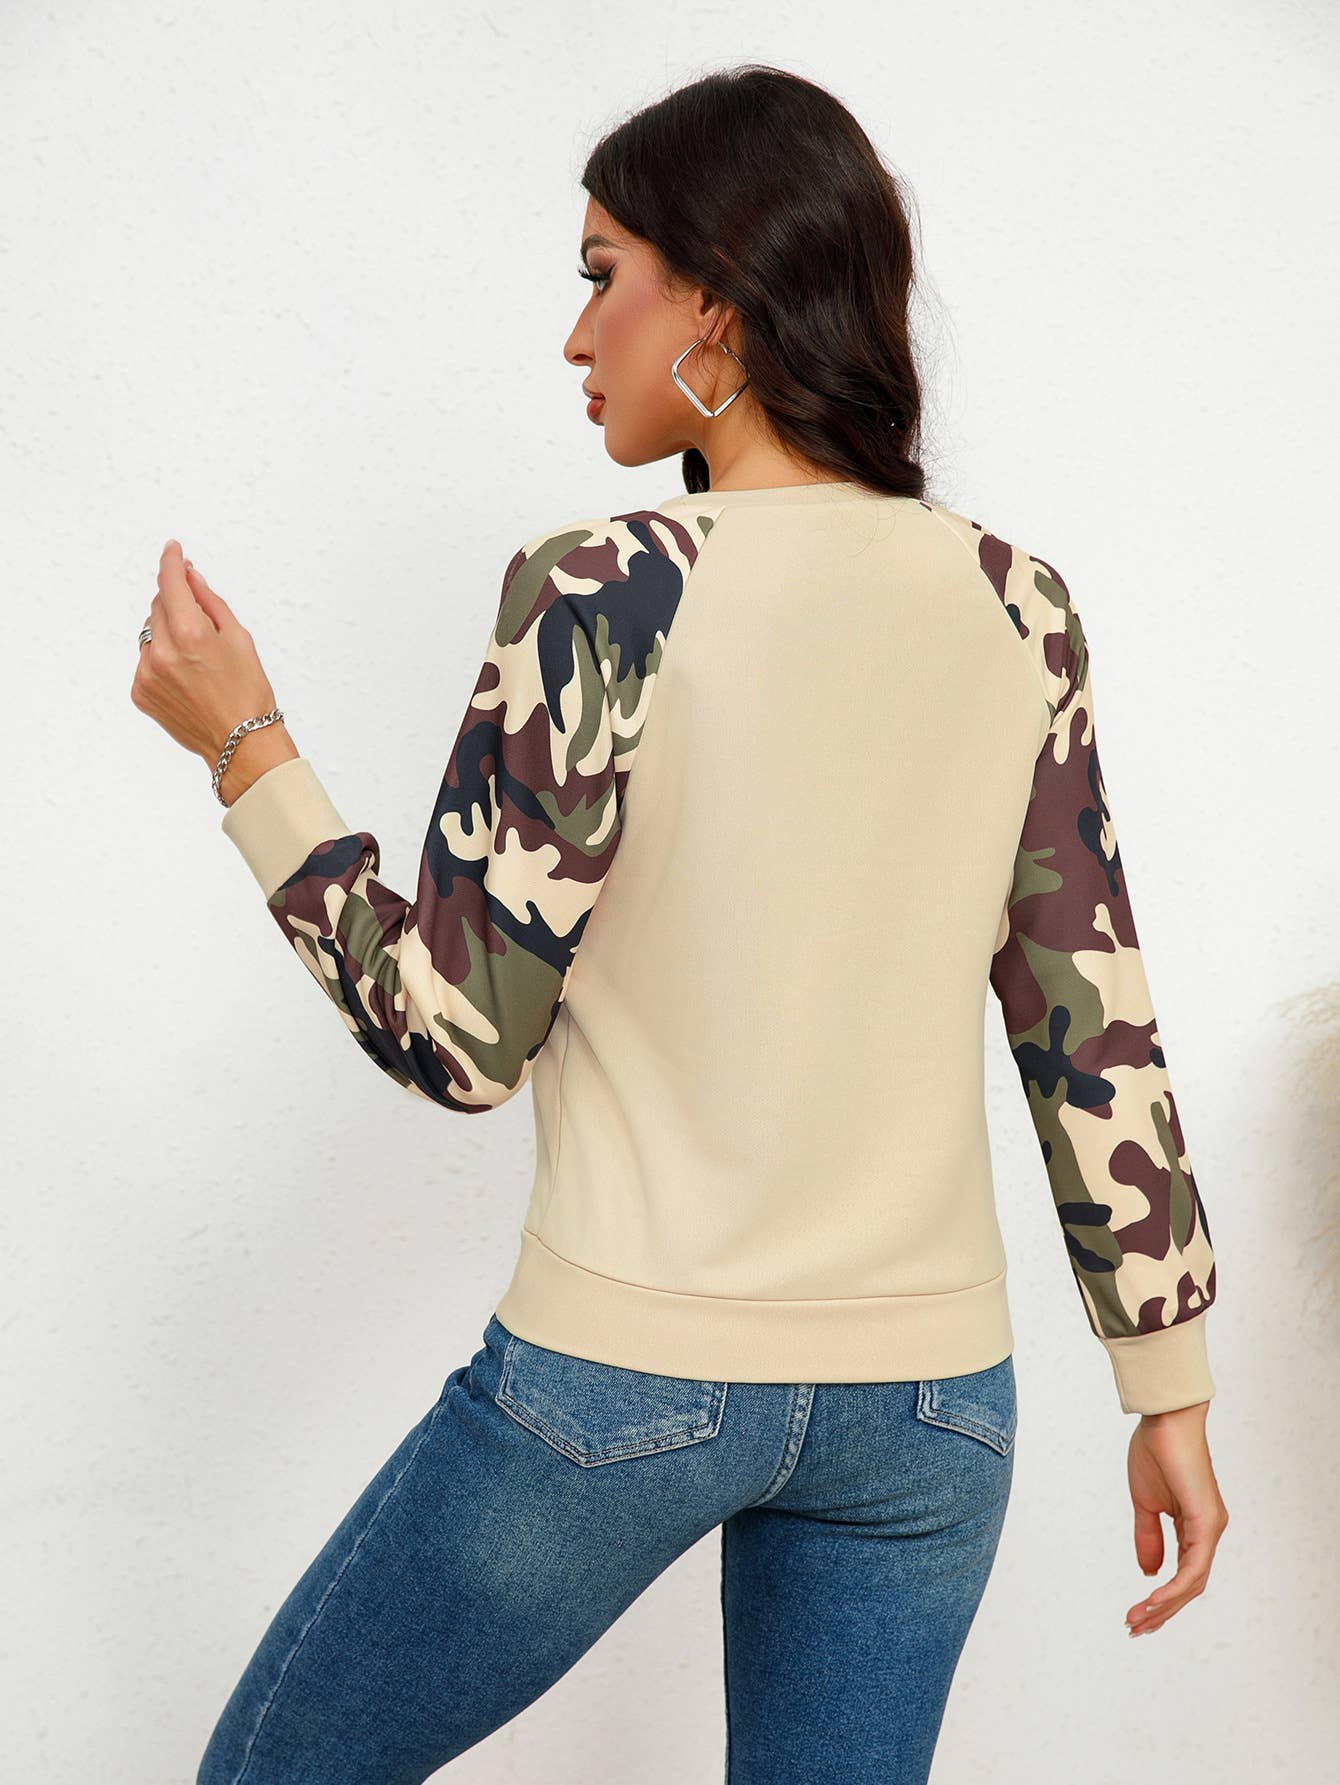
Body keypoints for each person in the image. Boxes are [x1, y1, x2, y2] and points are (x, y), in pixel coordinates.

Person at [132, 62, 1228, 1785]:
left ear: (716, 298)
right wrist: (1168, 1382)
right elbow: (1091, 1021)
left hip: (624, 1375)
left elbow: (455, 1038)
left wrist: (246, 750)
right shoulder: (1019, 606)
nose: (577, 335)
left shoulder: (607, 590)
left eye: (603, 274)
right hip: (936, 1409)